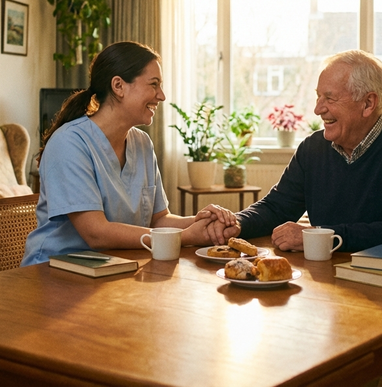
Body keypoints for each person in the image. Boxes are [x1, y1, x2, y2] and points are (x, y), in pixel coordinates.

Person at [21, 42, 237, 266]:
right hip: (53, 272)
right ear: (119, 86)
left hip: (114, 268)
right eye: (154, 84)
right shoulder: (69, 144)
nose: (161, 96)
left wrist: (200, 222)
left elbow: (159, 219)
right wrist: (187, 237)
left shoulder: (141, 143)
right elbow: (96, 233)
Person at [218, 49, 382, 252]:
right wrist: (237, 223)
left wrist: (321, 237)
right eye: (318, 96)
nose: (318, 109)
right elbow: (276, 208)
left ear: (368, 103)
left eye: (330, 98)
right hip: (328, 278)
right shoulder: (312, 148)